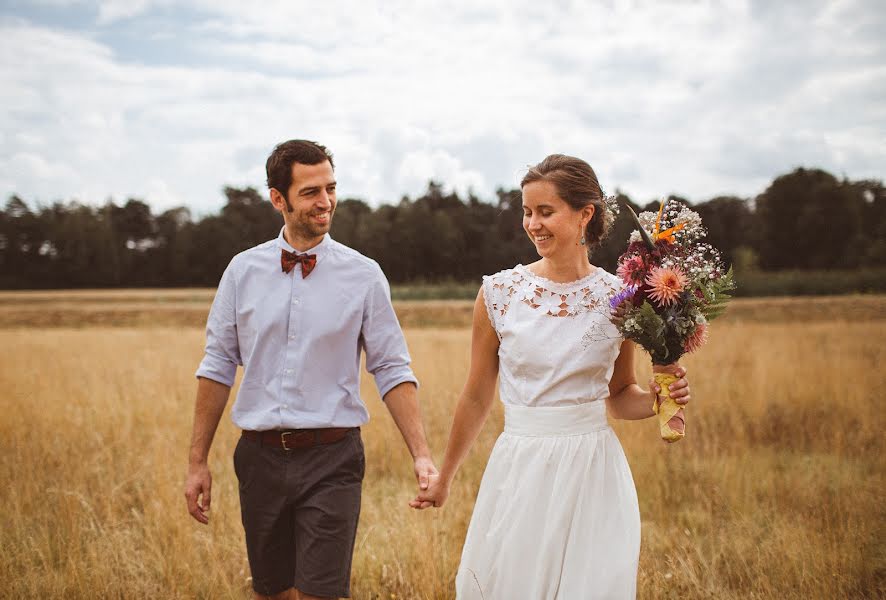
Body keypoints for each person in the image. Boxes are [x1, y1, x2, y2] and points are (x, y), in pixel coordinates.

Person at [411, 154, 691, 599]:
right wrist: (445, 477)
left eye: (545, 211)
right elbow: (477, 395)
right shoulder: (499, 293)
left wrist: (659, 398)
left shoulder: (621, 300)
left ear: (585, 215)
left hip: (592, 471)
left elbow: (619, 396)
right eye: (527, 212)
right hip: (520, 467)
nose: (533, 224)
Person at [185, 139, 436, 600]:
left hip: (332, 457)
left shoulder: (363, 275)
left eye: (331, 188)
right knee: (272, 592)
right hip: (258, 458)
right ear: (278, 199)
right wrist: (197, 461)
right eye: (310, 192)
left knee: (323, 593)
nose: (326, 202)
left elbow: (392, 366)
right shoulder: (242, 271)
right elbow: (218, 364)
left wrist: (421, 453)